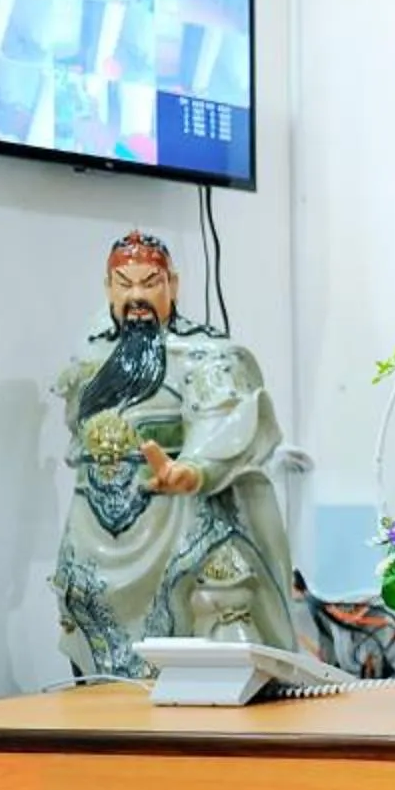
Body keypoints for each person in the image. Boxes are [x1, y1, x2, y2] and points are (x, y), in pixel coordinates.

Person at [51, 229, 298, 677]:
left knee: (221, 592)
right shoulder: (92, 357)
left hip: (181, 514)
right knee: (81, 602)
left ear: (173, 286)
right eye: (125, 285)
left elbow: (224, 416)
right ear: (108, 289)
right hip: (97, 524)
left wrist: (194, 470)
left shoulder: (203, 353)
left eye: (150, 283)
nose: (137, 297)